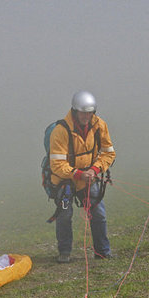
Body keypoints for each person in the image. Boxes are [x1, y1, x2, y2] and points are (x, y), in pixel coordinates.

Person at [49, 91, 116, 263]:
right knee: (64, 214)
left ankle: (102, 251)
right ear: (74, 111)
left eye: (89, 112)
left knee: (98, 213)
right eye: (82, 112)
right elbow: (56, 164)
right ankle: (64, 252)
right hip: (65, 181)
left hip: (89, 177)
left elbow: (108, 154)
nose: (86, 116)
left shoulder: (100, 125)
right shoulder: (60, 131)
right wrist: (78, 174)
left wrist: (94, 170)